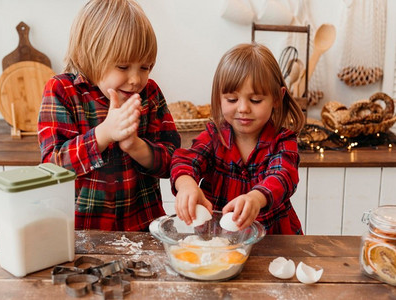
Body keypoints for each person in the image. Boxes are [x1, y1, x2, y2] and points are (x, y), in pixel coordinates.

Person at [38, 0, 180, 231]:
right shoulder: (62, 90)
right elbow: (53, 167)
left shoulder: (150, 93)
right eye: (123, 67)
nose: (135, 79)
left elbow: (172, 162)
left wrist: (135, 146)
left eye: (145, 67)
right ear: (88, 56)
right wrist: (104, 134)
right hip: (83, 233)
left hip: (143, 227)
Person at [171, 43, 305, 234]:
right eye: (232, 100)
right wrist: (186, 186)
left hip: (273, 240)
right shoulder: (213, 137)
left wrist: (256, 199)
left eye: (255, 100)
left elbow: (282, 176)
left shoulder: (283, 141)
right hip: (217, 240)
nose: (243, 108)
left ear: (277, 97)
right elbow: (185, 160)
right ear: (219, 98)